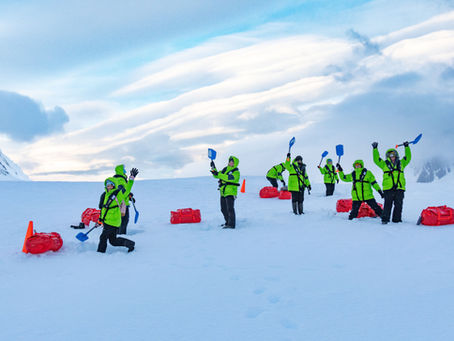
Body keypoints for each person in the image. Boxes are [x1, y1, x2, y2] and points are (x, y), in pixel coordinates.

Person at [372, 141, 411, 224]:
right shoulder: (384, 164)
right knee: (387, 205)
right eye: (390, 155)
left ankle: (396, 220)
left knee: (399, 205)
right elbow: (376, 160)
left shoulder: (402, 163)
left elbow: (408, 157)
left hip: (399, 188)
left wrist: (406, 147)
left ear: (396, 155)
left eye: (393, 154)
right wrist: (375, 149)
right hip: (388, 188)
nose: (392, 156)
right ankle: (385, 219)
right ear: (388, 156)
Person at [97, 177, 135, 253]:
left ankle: (100, 253)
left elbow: (127, 189)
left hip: (113, 221)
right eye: (108, 185)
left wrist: (131, 179)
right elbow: (104, 209)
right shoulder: (106, 195)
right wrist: (100, 219)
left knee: (103, 237)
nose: (109, 187)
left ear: (114, 186)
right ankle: (130, 244)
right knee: (113, 241)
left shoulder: (118, 194)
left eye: (111, 185)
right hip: (108, 221)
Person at [211, 156, 240, 229]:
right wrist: (213, 168)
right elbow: (217, 176)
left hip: (230, 192)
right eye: (230, 161)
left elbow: (229, 178)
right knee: (223, 209)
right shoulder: (225, 169)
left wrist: (219, 174)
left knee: (230, 208)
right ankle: (227, 222)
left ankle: (231, 224)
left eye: (232, 162)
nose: (231, 163)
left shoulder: (236, 172)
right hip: (223, 192)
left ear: (235, 163)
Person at [112, 165, 138, 234]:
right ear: (120, 170)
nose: (125, 171)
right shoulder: (120, 180)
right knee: (123, 222)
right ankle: (120, 237)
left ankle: (119, 235)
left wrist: (129, 196)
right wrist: (131, 178)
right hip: (121, 206)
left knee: (122, 222)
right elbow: (124, 192)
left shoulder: (120, 179)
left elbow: (124, 192)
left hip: (121, 204)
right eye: (124, 169)